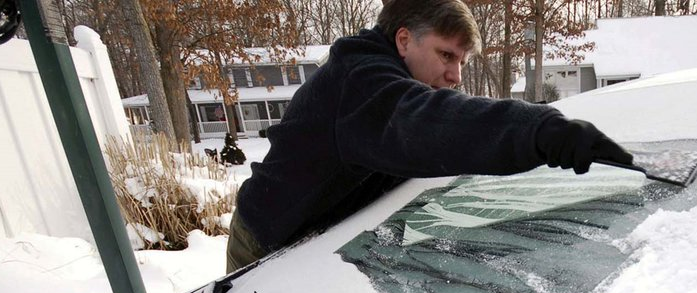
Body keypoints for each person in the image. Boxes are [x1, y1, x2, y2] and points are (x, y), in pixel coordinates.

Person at [226, 0, 632, 272]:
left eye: (462, 60)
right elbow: (427, 125)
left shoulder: (383, 80)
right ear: (404, 39)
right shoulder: (362, 83)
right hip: (268, 245)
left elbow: (440, 143)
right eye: (446, 55)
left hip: (320, 238)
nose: (456, 75)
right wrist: (540, 130)